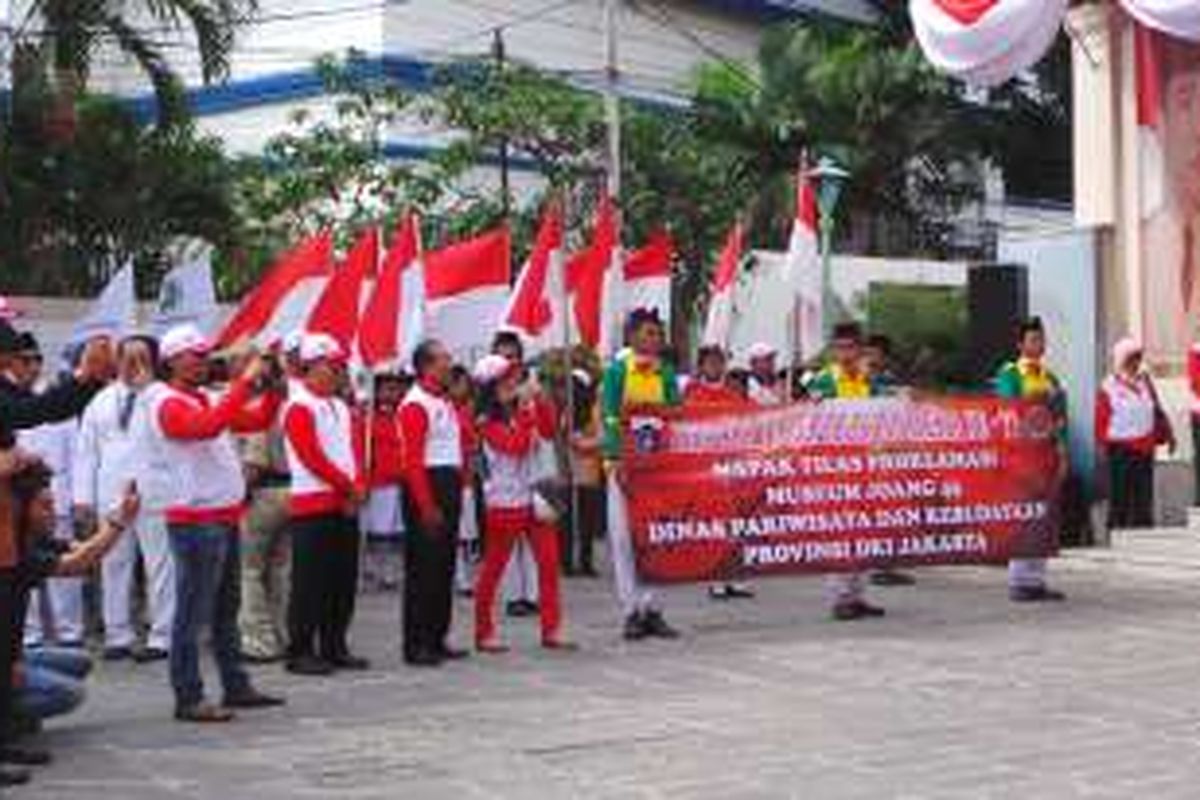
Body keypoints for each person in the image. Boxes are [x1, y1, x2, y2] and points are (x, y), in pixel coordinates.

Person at [149, 323, 285, 722]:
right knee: (192, 614)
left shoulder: (204, 396)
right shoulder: (166, 401)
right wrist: (244, 381)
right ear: (172, 360)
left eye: (203, 354)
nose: (202, 360)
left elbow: (253, 420)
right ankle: (188, 695)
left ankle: (235, 685)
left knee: (227, 610)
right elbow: (204, 429)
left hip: (222, 516)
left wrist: (273, 392)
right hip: (194, 521)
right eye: (193, 355)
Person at [0, 320, 112, 786]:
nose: (16, 366)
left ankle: (6, 738)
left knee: (7, 646)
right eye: (12, 357)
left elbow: (35, 409)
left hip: (7, 537)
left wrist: (87, 379)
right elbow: (35, 410)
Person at [10, 463, 139, 733]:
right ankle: (8, 718)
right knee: (70, 693)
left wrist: (117, 520)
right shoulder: (14, 548)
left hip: (14, 653)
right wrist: (118, 523)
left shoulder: (30, 536)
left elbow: (85, 553)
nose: (53, 514)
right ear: (21, 508)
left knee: (78, 662)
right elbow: (75, 564)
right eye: (44, 506)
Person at [73, 334, 175, 662]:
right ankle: (117, 634)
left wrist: (149, 390)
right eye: (126, 358)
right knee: (114, 564)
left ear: (153, 362)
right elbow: (86, 452)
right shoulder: (101, 400)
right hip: (111, 493)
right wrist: (83, 497)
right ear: (116, 362)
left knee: (160, 565)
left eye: (140, 357)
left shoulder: (163, 397)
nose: (132, 365)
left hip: (155, 492)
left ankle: (162, 636)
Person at [471, 354, 573, 652]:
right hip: (504, 502)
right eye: (506, 379)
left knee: (550, 565)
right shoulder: (485, 421)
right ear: (491, 387)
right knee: (494, 569)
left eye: (514, 376)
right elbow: (515, 447)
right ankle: (483, 632)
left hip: (536, 495)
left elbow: (548, 430)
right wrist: (528, 415)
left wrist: (540, 401)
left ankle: (552, 629)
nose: (515, 382)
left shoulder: (521, 408)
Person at [281, 333, 368, 676]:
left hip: (344, 501)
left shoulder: (341, 406)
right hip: (313, 504)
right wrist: (349, 486)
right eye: (332, 365)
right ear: (312, 367)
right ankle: (300, 649)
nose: (338, 371)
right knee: (310, 582)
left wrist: (359, 483)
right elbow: (310, 457)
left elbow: (354, 450)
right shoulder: (299, 406)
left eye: (339, 366)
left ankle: (335, 644)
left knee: (341, 580)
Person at [601, 308, 681, 640]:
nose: (655, 339)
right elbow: (609, 416)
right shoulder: (618, 371)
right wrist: (617, 459)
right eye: (649, 333)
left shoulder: (666, 372)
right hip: (625, 467)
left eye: (657, 333)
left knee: (657, 538)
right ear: (633, 337)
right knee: (623, 539)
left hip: (657, 469)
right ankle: (631, 610)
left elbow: (676, 416)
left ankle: (654, 609)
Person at [808, 322, 887, 621]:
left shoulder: (870, 381)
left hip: (867, 466)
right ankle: (841, 598)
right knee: (840, 531)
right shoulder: (823, 380)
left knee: (865, 530)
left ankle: (858, 595)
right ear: (833, 349)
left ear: (860, 349)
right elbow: (809, 418)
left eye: (851, 347)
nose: (846, 353)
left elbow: (886, 415)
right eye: (840, 347)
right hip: (836, 468)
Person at [11, 335, 83, 650]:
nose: (29, 367)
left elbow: (77, 453)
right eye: (23, 360)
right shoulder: (8, 401)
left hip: (57, 493)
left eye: (34, 360)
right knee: (19, 566)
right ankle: (29, 633)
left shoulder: (53, 399)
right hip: (14, 499)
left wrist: (78, 497)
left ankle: (68, 630)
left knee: (60, 564)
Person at [399, 339, 468, 667]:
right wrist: (426, 505)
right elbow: (412, 461)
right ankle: (417, 643)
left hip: (448, 482)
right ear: (427, 365)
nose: (450, 363)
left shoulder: (444, 400)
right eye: (444, 358)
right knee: (423, 569)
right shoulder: (415, 404)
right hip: (427, 484)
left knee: (444, 567)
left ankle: (437, 636)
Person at [994, 317, 1068, 603]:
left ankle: (1037, 579)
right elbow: (1007, 411)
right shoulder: (1010, 373)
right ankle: (1019, 580)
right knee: (1024, 517)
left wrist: (1062, 453)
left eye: (1041, 338)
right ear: (1020, 344)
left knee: (1043, 518)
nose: (1039, 344)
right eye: (1033, 339)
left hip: (1046, 457)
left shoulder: (1050, 377)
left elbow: (1060, 420)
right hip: (1021, 457)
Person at [237, 339, 296, 664]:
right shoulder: (288, 402)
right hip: (291, 490)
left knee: (250, 570)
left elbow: (254, 459)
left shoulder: (258, 405)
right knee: (280, 569)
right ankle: (284, 632)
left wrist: (240, 491)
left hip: (262, 493)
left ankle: (258, 639)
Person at [684, 346, 755, 602]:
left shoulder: (732, 394)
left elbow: (754, 418)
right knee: (713, 524)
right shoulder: (692, 394)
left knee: (737, 522)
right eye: (711, 363)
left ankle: (735, 577)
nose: (716, 367)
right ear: (701, 366)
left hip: (732, 468)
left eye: (719, 362)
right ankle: (715, 579)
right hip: (705, 470)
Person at [1096, 337, 1174, 530]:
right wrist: (1102, 444)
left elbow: (1156, 409)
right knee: (1120, 497)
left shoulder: (1144, 383)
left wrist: (1169, 435)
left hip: (1145, 448)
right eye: (1131, 359)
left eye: (1138, 358)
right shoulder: (1109, 385)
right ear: (1120, 360)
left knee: (1143, 498)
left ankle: (1143, 536)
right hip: (1120, 449)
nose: (1135, 363)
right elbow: (1101, 419)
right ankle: (1116, 536)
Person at [859, 333, 916, 589]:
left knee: (890, 510)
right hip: (862, 455)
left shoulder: (890, 380)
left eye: (876, 354)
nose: (871, 358)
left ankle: (885, 563)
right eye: (868, 353)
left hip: (889, 453)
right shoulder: (857, 380)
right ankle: (872, 563)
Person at [491, 333, 541, 618]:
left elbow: (545, 429)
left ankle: (533, 594)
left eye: (513, 356)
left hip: (533, 471)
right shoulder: (489, 397)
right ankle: (513, 595)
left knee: (534, 536)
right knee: (508, 541)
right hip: (503, 477)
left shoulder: (531, 390)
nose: (508, 362)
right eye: (502, 356)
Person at [359, 371, 408, 593]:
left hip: (400, 481)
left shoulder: (403, 415)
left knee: (394, 532)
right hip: (378, 483)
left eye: (395, 388)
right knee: (376, 531)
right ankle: (371, 569)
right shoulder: (368, 419)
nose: (392, 393)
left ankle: (389, 570)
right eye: (387, 388)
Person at [566, 369, 603, 578]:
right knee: (570, 520)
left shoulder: (595, 410)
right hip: (571, 472)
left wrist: (583, 443)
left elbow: (602, 438)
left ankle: (586, 561)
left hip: (589, 471)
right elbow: (562, 434)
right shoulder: (568, 411)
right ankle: (568, 561)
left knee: (587, 520)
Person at [447, 364, 480, 597]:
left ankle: (465, 575)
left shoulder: (468, 410)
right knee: (457, 533)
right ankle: (460, 577)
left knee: (467, 533)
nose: (465, 387)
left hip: (468, 478)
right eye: (460, 383)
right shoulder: (446, 410)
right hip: (452, 479)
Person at [746, 342, 785, 407]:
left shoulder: (781, 378)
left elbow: (808, 384)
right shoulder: (747, 383)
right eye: (768, 359)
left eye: (772, 359)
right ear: (755, 363)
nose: (772, 363)